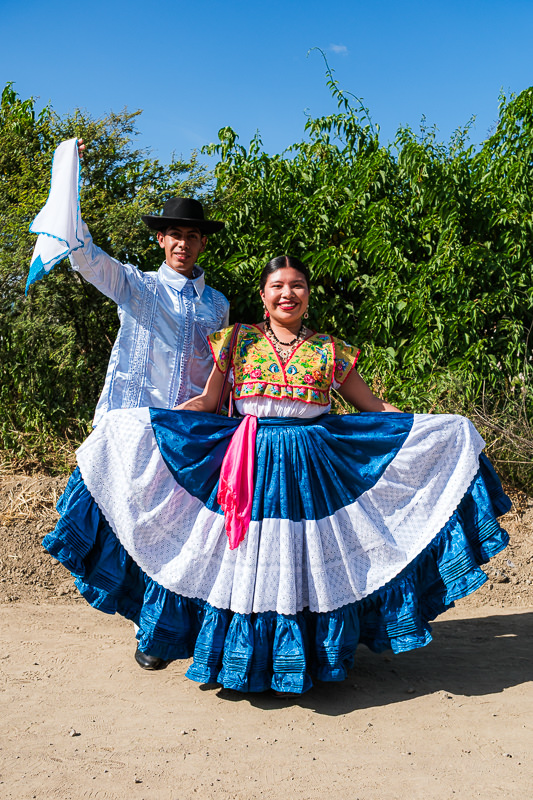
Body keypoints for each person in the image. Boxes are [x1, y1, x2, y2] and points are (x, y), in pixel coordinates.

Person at [43, 255, 510, 695]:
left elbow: (372, 408)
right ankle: (236, 655)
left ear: (308, 294)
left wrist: (431, 427)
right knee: (240, 562)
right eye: (277, 287)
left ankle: (306, 657)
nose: (288, 294)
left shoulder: (330, 350)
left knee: (304, 561)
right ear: (263, 296)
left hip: (313, 471)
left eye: (297, 286)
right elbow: (207, 404)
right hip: (246, 466)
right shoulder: (237, 341)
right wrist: (149, 425)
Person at [70, 140, 229, 427]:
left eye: (192, 236)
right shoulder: (135, 285)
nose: (183, 244)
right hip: (133, 423)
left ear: (203, 243)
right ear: (161, 240)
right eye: (175, 235)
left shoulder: (218, 304)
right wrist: (73, 177)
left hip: (189, 430)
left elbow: (218, 371)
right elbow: (86, 257)